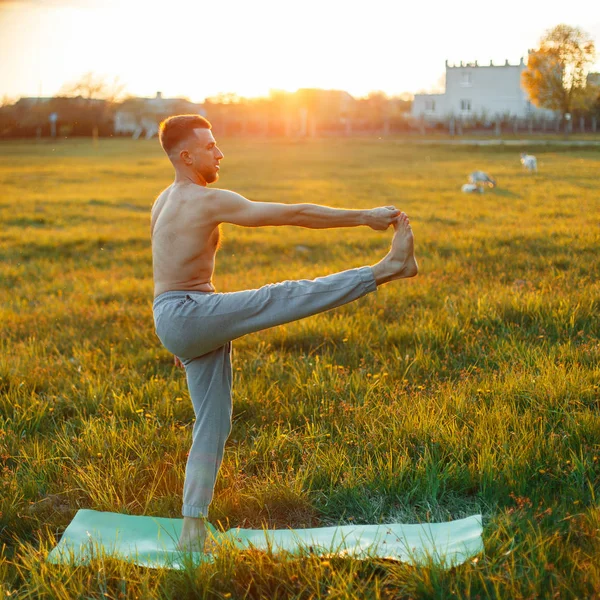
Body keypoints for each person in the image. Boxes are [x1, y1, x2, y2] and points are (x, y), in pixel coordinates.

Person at [151, 114, 418, 551]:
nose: (220, 152)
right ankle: (388, 269)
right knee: (284, 295)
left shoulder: (162, 201)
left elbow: (163, 270)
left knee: (213, 424)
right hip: (187, 315)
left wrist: (177, 335)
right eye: (210, 146)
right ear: (186, 155)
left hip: (175, 316)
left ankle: (191, 533)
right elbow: (294, 214)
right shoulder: (206, 201)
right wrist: (365, 216)